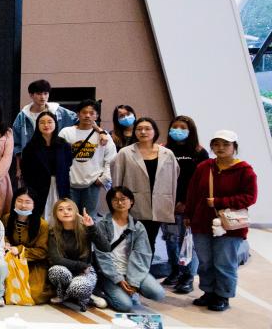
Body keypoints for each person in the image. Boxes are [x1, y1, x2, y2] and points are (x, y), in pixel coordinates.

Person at [183, 130, 258, 312]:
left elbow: (250, 197)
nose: (221, 148)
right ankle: (208, 291)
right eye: (216, 144)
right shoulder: (204, 167)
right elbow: (192, 193)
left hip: (230, 226)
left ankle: (223, 295)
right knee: (205, 261)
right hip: (202, 222)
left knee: (224, 263)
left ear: (234, 147)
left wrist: (220, 202)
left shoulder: (244, 170)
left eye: (226, 144)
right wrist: (188, 214)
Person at [111, 117, 179, 252]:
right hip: (134, 205)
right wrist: (118, 204)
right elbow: (117, 179)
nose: (143, 132)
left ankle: (145, 266)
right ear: (135, 132)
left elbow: (174, 176)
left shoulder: (167, 153)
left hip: (158, 205)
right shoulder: (125, 153)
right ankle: (133, 266)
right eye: (139, 129)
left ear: (155, 131)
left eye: (147, 129)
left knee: (150, 241)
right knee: (134, 242)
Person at [95, 187, 165, 312]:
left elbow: (142, 255)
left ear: (131, 201)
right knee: (125, 305)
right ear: (110, 202)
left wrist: (133, 282)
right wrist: (118, 279)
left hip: (132, 270)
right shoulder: (102, 225)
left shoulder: (138, 227)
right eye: (115, 200)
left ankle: (128, 290)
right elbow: (102, 255)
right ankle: (101, 291)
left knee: (158, 293)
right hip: (109, 273)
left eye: (123, 199)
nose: (119, 203)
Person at [162, 115, 207, 294]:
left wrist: (187, 203)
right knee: (170, 239)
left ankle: (188, 276)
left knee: (186, 240)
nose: (178, 130)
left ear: (191, 131)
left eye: (183, 127)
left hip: (187, 205)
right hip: (167, 204)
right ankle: (174, 272)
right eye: (175, 127)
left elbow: (200, 182)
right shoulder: (164, 150)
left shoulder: (199, 152)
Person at [47, 198, 110, 311]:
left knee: (77, 287)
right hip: (73, 269)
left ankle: (85, 295)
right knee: (55, 270)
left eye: (69, 209)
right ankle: (68, 294)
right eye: (60, 209)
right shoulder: (53, 232)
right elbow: (57, 259)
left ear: (75, 211)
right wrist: (82, 265)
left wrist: (92, 226)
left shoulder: (85, 228)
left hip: (85, 272)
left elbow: (105, 248)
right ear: (56, 214)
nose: (65, 212)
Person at [58, 100, 116, 218]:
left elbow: (111, 159)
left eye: (91, 113)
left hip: (92, 184)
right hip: (69, 184)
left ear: (97, 116)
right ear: (78, 114)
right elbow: (57, 157)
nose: (87, 115)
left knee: (89, 218)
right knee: (68, 217)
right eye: (84, 112)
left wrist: (104, 179)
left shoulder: (103, 136)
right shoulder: (66, 132)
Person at [1, 188, 51, 304]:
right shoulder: (6, 218)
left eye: (28, 202)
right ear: (14, 202)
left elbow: (42, 251)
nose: (23, 205)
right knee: (4, 290)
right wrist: (6, 244)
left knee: (34, 294)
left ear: (34, 205)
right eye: (19, 201)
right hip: (10, 260)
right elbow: (2, 237)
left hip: (33, 263)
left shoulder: (42, 224)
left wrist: (19, 250)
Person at [21, 112, 73, 219]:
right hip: (38, 187)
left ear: (55, 124)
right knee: (40, 215)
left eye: (49, 122)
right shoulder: (31, 146)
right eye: (42, 122)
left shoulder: (63, 145)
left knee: (60, 213)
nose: (46, 125)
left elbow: (68, 164)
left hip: (60, 185)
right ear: (37, 125)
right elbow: (25, 169)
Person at [12, 79, 78, 159]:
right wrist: (19, 162)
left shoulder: (59, 111)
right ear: (31, 95)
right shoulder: (23, 116)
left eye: (45, 93)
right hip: (32, 158)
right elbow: (16, 142)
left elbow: (79, 120)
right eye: (39, 94)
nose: (43, 97)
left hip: (56, 156)